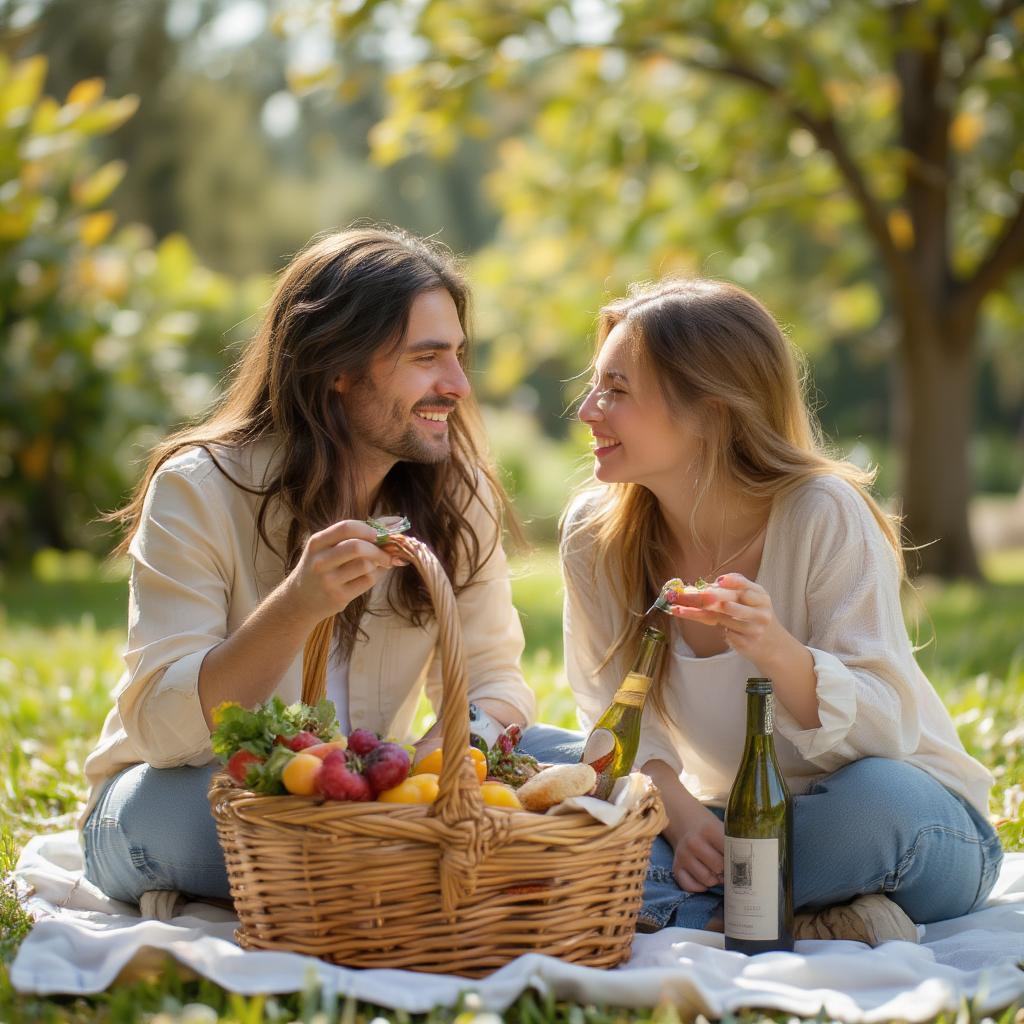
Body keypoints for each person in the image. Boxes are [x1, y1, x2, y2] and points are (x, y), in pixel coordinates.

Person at [523, 278, 1002, 944]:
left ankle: (678, 907)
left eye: (617, 391)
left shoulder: (822, 513)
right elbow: (614, 724)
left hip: (904, 820)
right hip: (728, 820)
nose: (587, 411)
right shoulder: (595, 534)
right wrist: (686, 821)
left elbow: (886, 729)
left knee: (872, 806)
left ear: (713, 412)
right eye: (596, 386)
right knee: (526, 751)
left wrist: (775, 648)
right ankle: (800, 913)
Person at [80, 226, 535, 908]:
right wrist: (295, 607)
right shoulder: (199, 489)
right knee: (250, 822)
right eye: (427, 357)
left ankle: (380, 871)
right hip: (188, 794)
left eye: (458, 356)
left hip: (365, 804)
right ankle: (392, 880)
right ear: (338, 368)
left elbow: (497, 681)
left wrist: (451, 776)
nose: (459, 385)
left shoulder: (455, 499)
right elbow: (161, 728)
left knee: (566, 760)